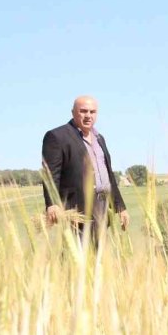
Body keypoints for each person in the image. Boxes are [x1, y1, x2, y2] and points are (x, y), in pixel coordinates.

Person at [42, 95, 129, 243]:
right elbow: (50, 175)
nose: (88, 116)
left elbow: (108, 174)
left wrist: (120, 206)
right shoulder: (57, 136)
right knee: (77, 255)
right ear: (73, 112)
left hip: (102, 206)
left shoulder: (99, 138)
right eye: (83, 111)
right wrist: (52, 204)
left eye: (92, 112)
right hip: (77, 209)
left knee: (97, 257)